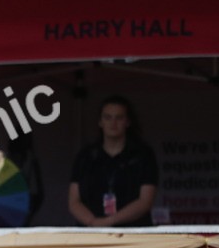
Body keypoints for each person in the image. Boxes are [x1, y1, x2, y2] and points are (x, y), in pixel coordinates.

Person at [68, 95, 158, 228]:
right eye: (108, 117)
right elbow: (74, 201)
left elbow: (145, 201)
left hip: (133, 231)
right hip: (90, 232)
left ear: (128, 122)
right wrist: (92, 222)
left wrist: (109, 221)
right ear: (100, 122)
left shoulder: (143, 155)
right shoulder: (86, 156)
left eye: (119, 118)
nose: (113, 123)